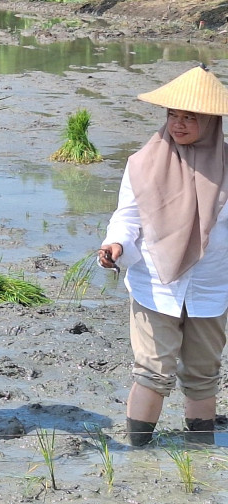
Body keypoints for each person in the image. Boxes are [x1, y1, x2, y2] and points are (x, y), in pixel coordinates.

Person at [99, 65, 228, 446]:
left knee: (204, 374)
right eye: (173, 115)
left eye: (190, 116)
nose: (180, 123)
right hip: (154, 282)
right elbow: (127, 216)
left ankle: (199, 454)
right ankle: (136, 453)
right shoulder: (142, 163)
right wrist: (116, 246)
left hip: (211, 286)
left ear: (211, 120)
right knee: (152, 370)